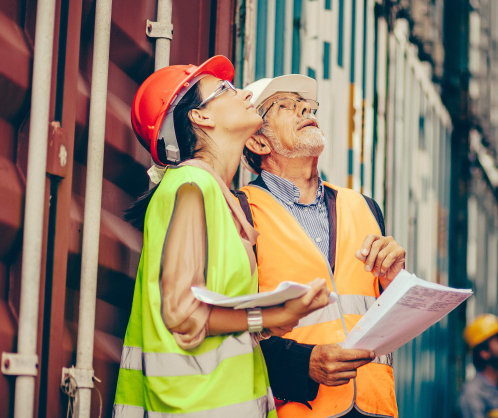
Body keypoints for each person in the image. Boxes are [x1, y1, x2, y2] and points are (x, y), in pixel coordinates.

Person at [113, 57, 331, 417]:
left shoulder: (216, 196)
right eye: (224, 90)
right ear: (201, 117)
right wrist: (271, 314)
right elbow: (183, 314)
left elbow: (212, 316)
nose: (243, 93)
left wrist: (278, 317)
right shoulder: (190, 184)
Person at [236, 74, 406, 418]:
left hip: (376, 407)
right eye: (284, 105)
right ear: (257, 142)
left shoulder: (365, 207)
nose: (303, 108)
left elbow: (387, 321)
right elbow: (232, 329)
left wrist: (395, 281)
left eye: (307, 105)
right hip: (298, 408)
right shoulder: (242, 212)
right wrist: (304, 364)